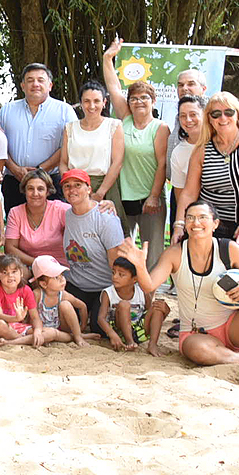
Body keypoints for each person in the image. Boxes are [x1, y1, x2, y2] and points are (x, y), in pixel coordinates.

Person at [130, 201, 239, 385]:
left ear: (215, 224)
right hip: (195, 333)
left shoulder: (228, 248)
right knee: (198, 352)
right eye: (190, 218)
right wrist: (140, 266)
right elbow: (149, 286)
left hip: (232, 328)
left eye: (202, 217)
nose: (196, 223)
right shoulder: (175, 253)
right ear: (185, 224)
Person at [175, 91, 239, 285]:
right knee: (217, 279)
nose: (223, 118)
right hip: (218, 223)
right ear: (209, 119)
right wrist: (179, 225)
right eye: (215, 114)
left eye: (228, 112)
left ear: (238, 114)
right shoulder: (202, 149)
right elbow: (189, 192)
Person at [0, 63, 77, 210]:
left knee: (54, 229)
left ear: (50, 85)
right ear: (22, 85)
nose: (35, 84)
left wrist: (40, 170)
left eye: (40, 80)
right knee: (16, 229)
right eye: (30, 80)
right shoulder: (7, 110)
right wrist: (15, 169)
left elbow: (69, 146)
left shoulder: (64, 111)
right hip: (15, 180)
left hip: (50, 182)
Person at [112, 81, 168, 266]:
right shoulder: (125, 121)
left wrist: (154, 196)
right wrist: (108, 57)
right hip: (123, 197)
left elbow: (162, 164)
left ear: (153, 100)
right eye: (133, 98)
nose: (139, 102)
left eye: (144, 97)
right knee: (121, 249)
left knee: (151, 252)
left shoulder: (159, 127)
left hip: (150, 199)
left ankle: (148, 293)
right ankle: (124, 292)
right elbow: (113, 87)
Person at [58, 169, 128, 316]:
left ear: (89, 189)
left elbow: (116, 261)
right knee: (66, 319)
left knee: (99, 328)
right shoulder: (66, 213)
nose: (72, 190)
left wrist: (118, 293)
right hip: (76, 284)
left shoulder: (105, 217)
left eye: (78, 185)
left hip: (103, 286)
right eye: (67, 186)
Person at [61, 81, 124, 201]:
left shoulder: (114, 125)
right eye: (87, 101)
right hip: (74, 187)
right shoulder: (69, 128)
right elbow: (63, 163)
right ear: (80, 103)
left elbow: (117, 163)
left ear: (104, 102)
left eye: (96, 101)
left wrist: (100, 193)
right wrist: (70, 186)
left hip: (103, 186)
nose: (92, 106)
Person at [99, 256, 168, 354]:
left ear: (134, 279)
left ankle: (152, 344)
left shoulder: (142, 292)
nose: (115, 277)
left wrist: (165, 311)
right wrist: (112, 334)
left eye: (121, 274)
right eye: (113, 273)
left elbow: (150, 313)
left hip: (140, 331)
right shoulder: (108, 293)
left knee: (157, 306)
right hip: (120, 332)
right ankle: (129, 341)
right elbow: (101, 318)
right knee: (124, 304)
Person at [29, 254, 85, 346]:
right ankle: (73, 336)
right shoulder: (37, 294)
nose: (62, 279)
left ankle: (78, 336)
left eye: (62, 275)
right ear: (43, 284)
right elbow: (31, 317)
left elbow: (82, 306)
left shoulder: (63, 295)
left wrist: (82, 327)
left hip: (61, 329)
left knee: (65, 305)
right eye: (56, 277)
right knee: (37, 333)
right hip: (42, 330)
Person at [0, 255, 40, 345]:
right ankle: (21, 340)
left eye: (14, 272)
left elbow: (35, 317)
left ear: (21, 273)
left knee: (47, 332)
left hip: (18, 326)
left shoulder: (26, 290)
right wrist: (16, 318)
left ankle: (11, 341)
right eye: (5, 272)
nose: (10, 276)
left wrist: (37, 331)